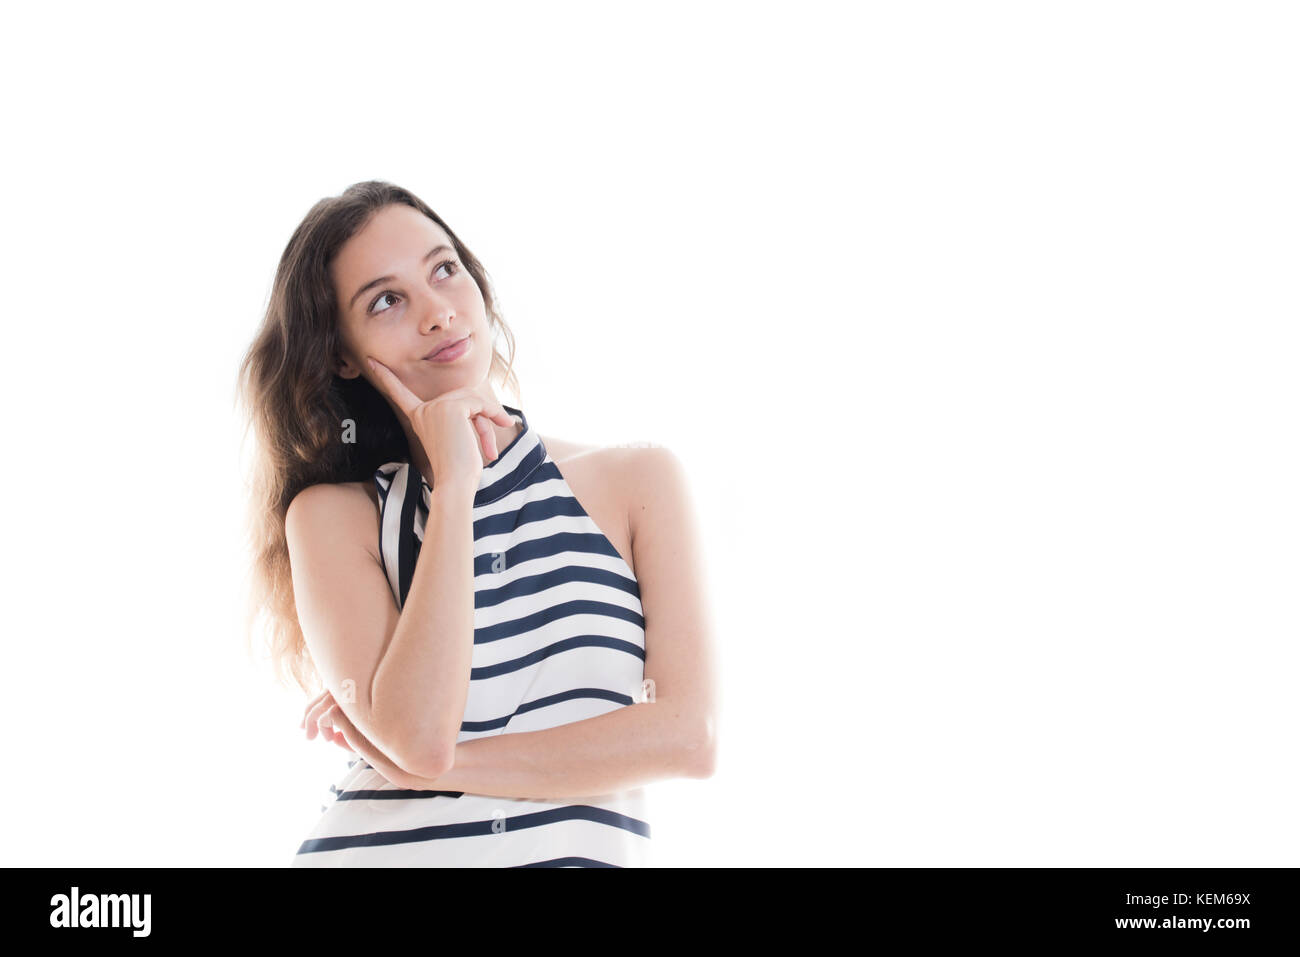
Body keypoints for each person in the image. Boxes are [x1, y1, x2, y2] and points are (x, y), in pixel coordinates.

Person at [235, 180, 719, 866]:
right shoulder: (335, 517)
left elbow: (687, 736)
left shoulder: (636, 480)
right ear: (342, 353)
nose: (436, 312)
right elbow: (418, 735)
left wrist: (432, 765)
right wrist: (456, 486)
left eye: (444, 269)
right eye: (387, 300)